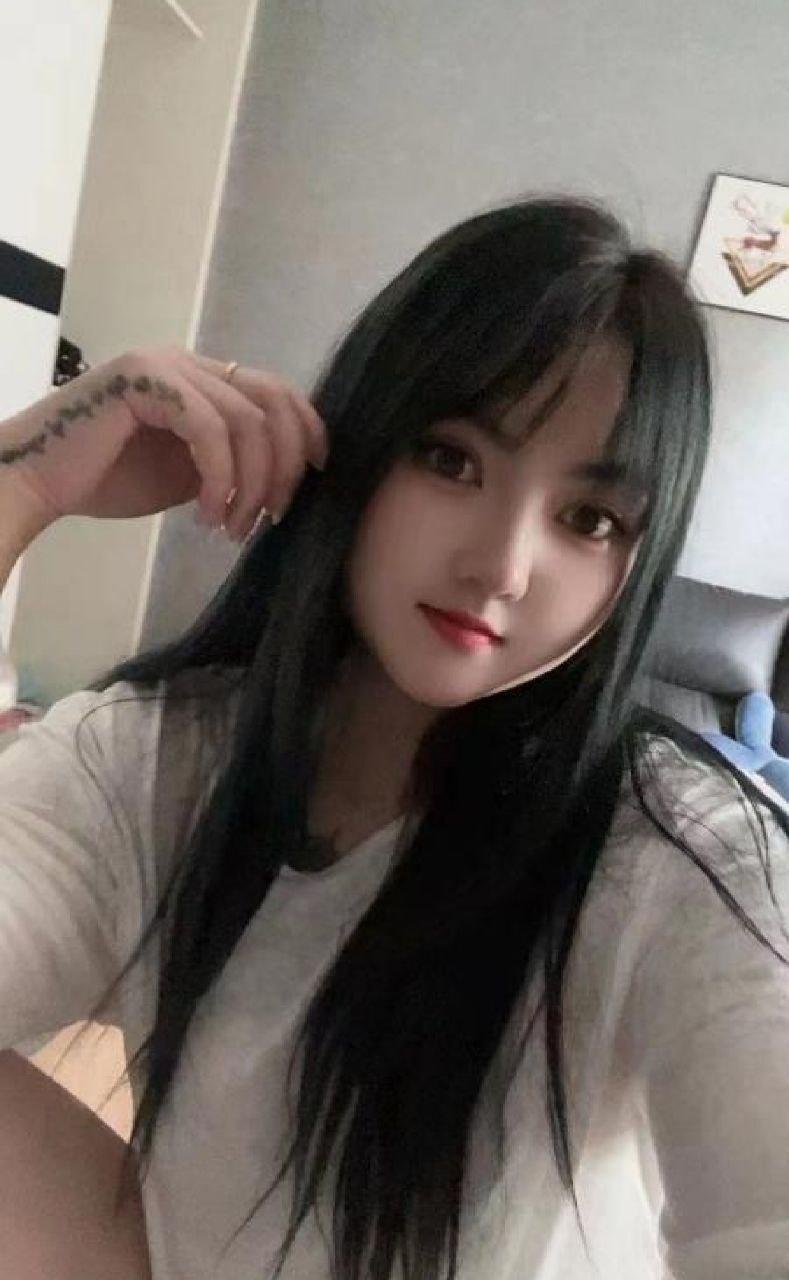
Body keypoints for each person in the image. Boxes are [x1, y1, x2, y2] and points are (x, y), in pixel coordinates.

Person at [0, 195, 787, 1280]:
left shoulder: (681, 858)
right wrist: (24, 479)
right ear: (358, 447)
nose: (502, 566)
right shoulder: (154, 761)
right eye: (452, 460)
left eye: (589, 519)